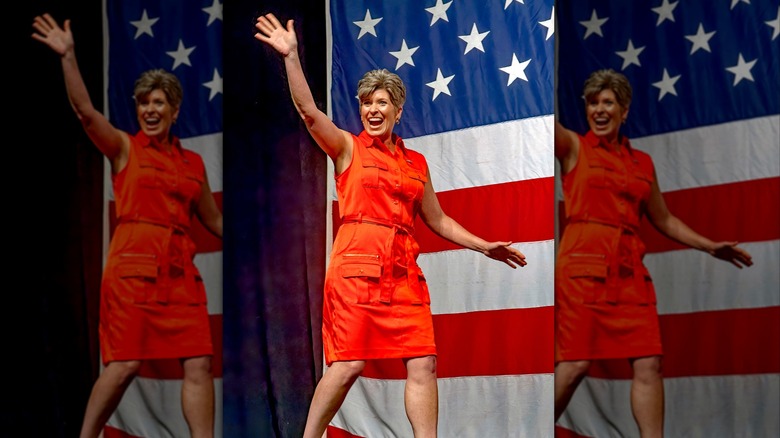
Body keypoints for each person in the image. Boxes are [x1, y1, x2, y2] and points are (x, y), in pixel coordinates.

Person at [255, 12, 527, 438]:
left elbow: (437, 219)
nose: (372, 110)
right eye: (366, 102)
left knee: (424, 362)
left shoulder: (416, 163)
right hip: (356, 272)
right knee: (347, 365)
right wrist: (291, 57)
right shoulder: (346, 147)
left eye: (381, 102)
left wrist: (483, 245)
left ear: (398, 111)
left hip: (404, 277)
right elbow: (309, 112)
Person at [32, 13, 222, 438]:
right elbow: (84, 113)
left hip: (181, 279)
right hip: (133, 273)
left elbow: (211, 219)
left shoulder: (192, 163)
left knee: (199, 362)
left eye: (158, 103)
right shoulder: (122, 148)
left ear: (174, 110)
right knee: (124, 365)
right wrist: (67, 57)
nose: (149, 110)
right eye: (142, 103)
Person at [553, 68, 753, 437]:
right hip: (583, 270)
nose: (599, 110)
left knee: (649, 364)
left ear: (624, 110)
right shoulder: (574, 147)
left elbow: (663, 218)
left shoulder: (642, 162)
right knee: (575, 363)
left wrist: (710, 246)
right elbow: (546, 124)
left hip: (631, 275)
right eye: (593, 103)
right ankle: (530, 426)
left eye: (608, 102)